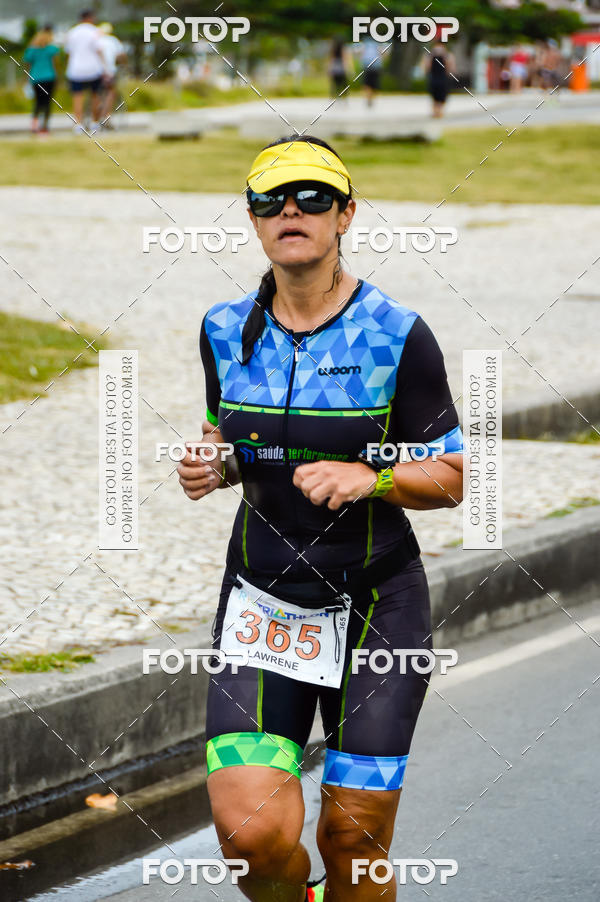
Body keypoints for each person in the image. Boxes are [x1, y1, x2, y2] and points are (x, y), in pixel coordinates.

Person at [178, 135, 464, 901]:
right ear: (252, 219)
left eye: (311, 197)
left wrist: (369, 477)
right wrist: (215, 466)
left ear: (346, 215)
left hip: (377, 603)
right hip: (263, 600)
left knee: (352, 839)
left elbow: (456, 477)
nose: (291, 211)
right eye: (272, 200)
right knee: (252, 837)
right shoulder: (220, 329)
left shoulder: (397, 334)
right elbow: (232, 441)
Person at [64, 9, 105, 133]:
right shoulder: (95, 31)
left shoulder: (72, 32)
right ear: (90, 18)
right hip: (93, 69)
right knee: (95, 96)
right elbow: (99, 50)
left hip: (76, 69)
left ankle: (78, 124)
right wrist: (105, 67)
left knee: (77, 97)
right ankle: (95, 123)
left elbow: (68, 51)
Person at [23, 24, 60, 135]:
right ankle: (44, 126)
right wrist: (58, 76)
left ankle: (34, 126)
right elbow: (55, 64)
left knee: (38, 102)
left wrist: (26, 77)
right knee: (47, 102)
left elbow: (27, 64)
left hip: (35, 78)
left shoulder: (32, 50)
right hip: (49, 77)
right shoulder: (52, 49)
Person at [97, 22, 127, 128]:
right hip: (109, 72)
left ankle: (97, 116)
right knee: (111, 93)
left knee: (96, 94)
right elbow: (121, 56)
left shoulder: (96, 40)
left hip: (95, 72)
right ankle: (106, 117)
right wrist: (124, 65)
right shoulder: (113, 40)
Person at [425, 41, 455, 117]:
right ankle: (437, 111)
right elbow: (451, 67)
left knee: (439, 95)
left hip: (440, 77)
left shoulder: (445, 55)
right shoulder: (432, 56)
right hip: (438, 77)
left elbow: (427, 67)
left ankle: (438, 111)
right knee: (437, 95)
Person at [360, 38, 382, 107]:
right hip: (374, 66)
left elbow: (362, 52)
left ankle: (369, 98)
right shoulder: (376, 42)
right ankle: (370, 98)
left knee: (368, 83)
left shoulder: (366, 42)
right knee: (372, 84)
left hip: (369, 65)